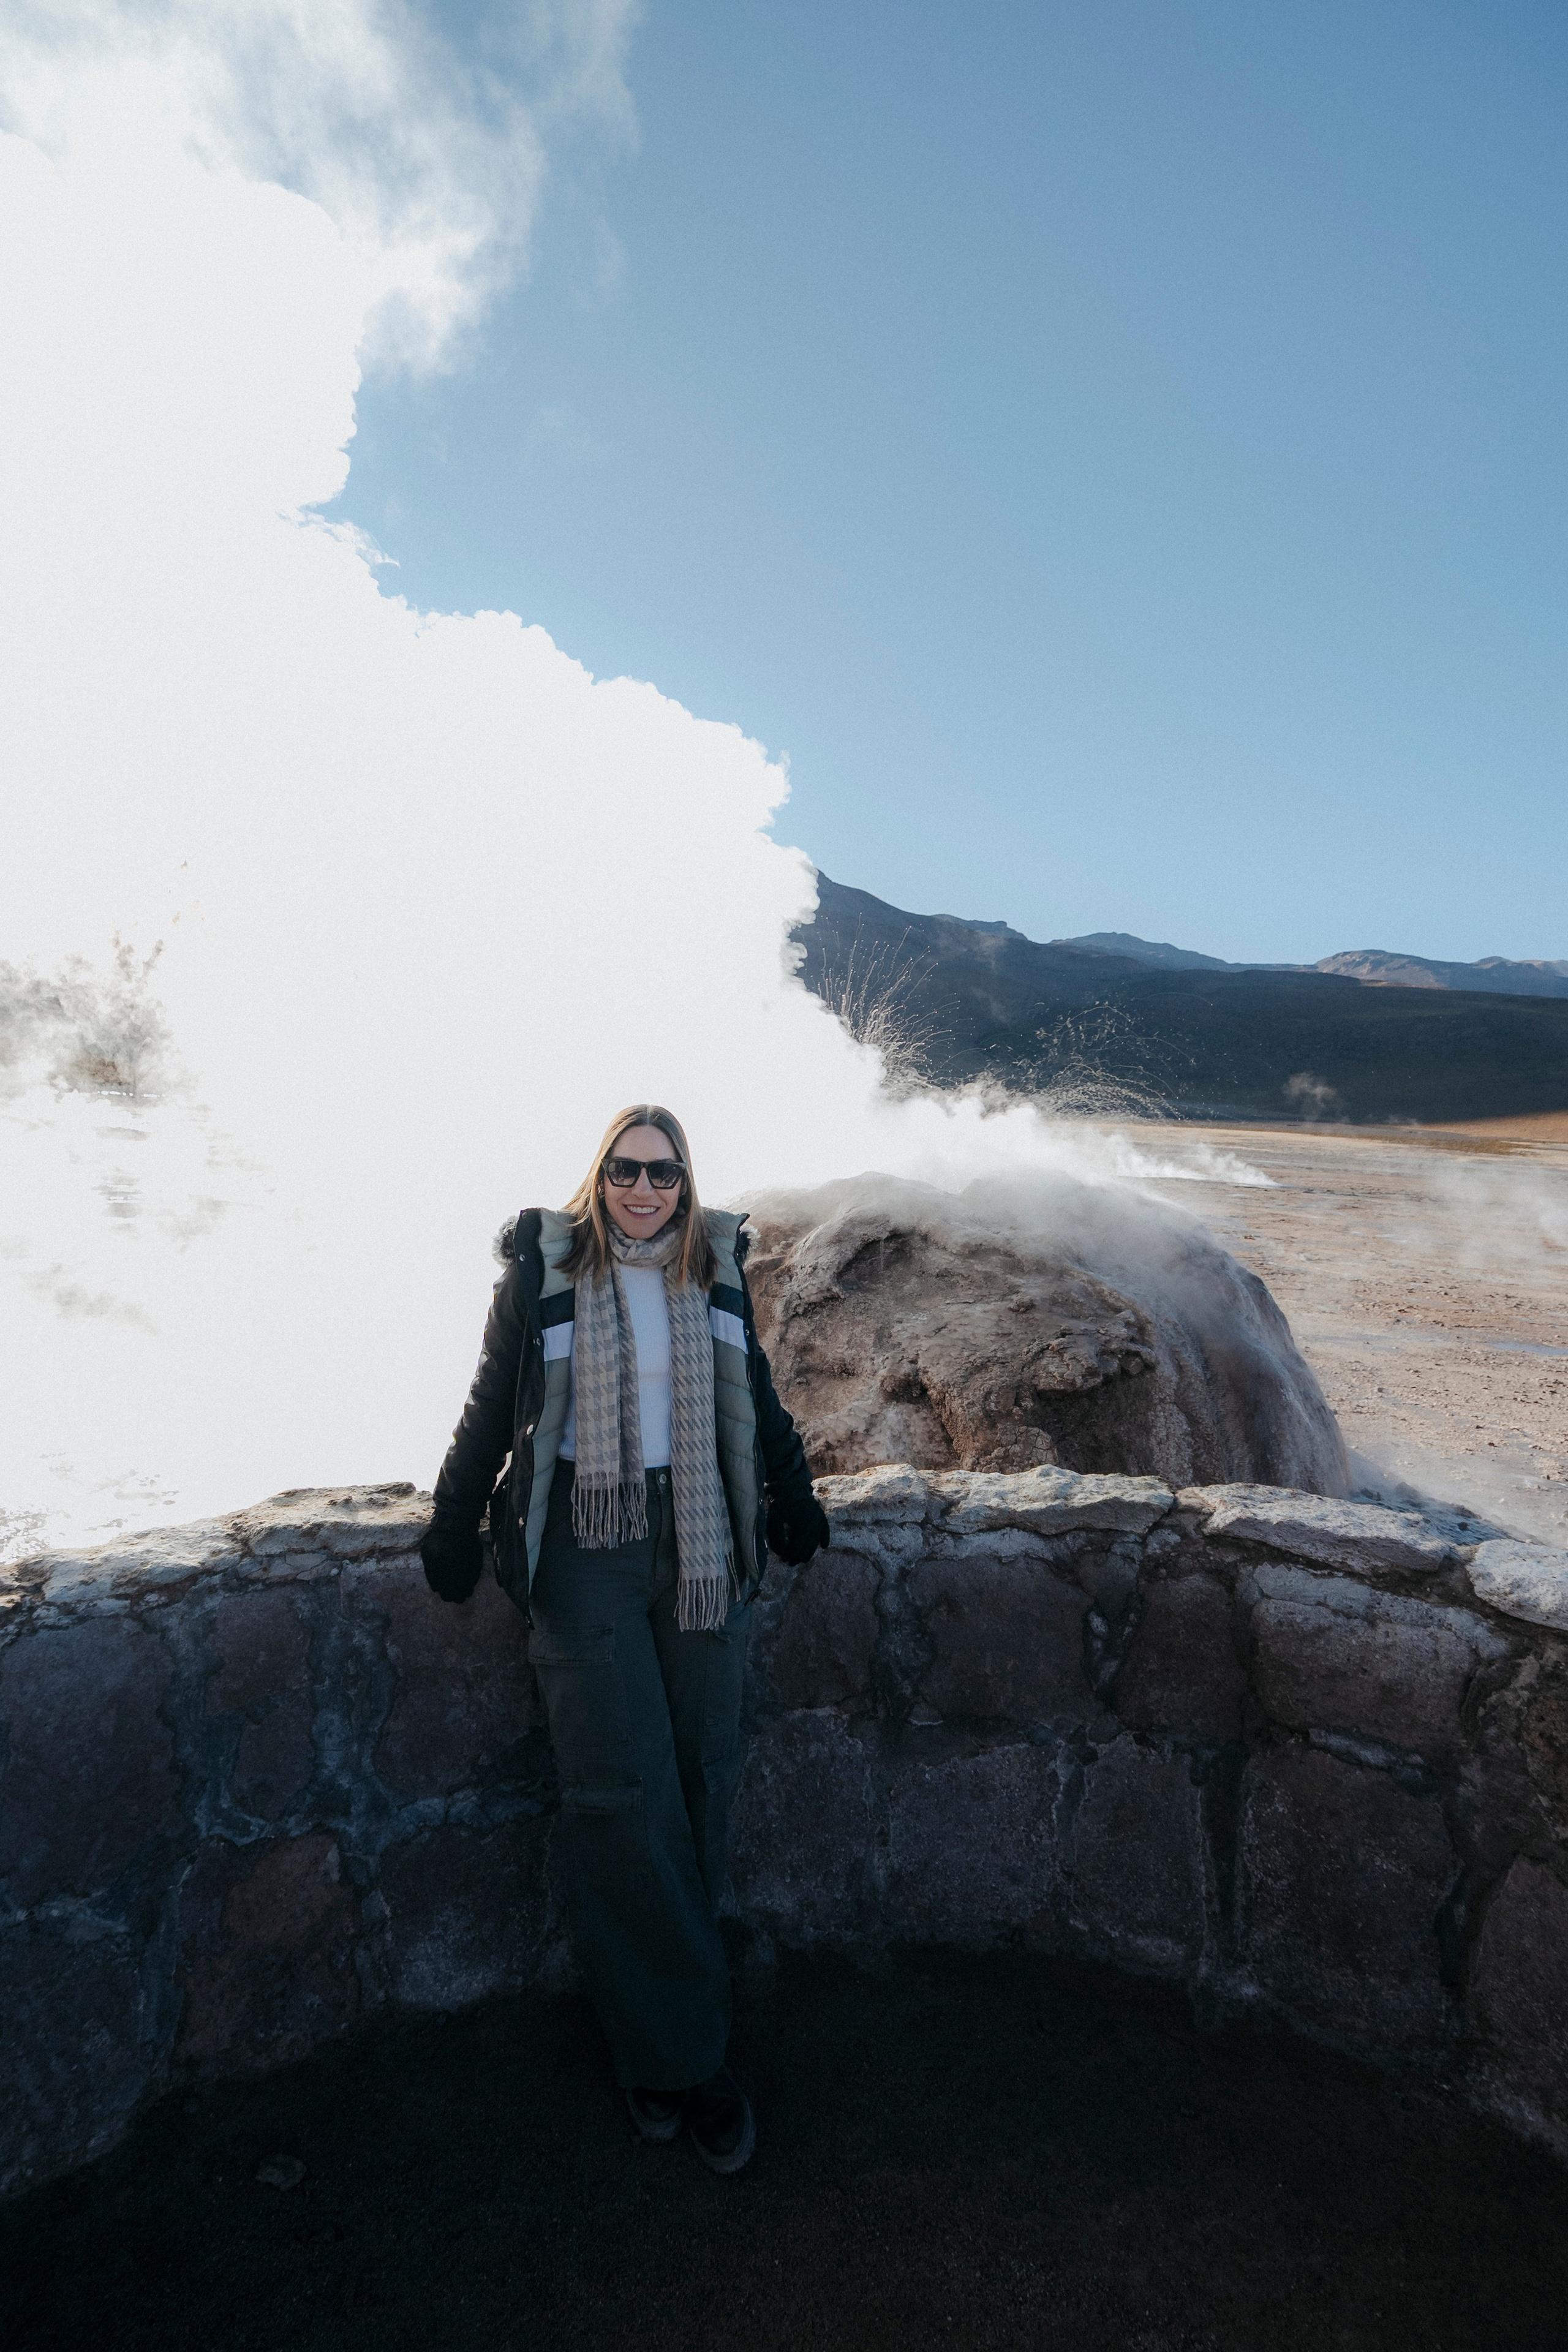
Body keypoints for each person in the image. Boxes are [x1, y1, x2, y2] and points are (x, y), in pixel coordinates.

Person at [420, 1104, 830, 2174]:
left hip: (696, 1544)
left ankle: (657, 2040)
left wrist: (792, 1496)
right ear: (596, 1176)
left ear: (688, 1186)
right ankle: (687, 2060)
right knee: (619, 1798)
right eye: (626, 1171)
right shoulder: (546, 1276)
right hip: (586, 1548)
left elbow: (759, 1404)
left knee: (700, 1777)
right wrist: (453, 1520)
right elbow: (488, 1409)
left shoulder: (715, 1275)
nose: (644, 1190)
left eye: (664, 1175)